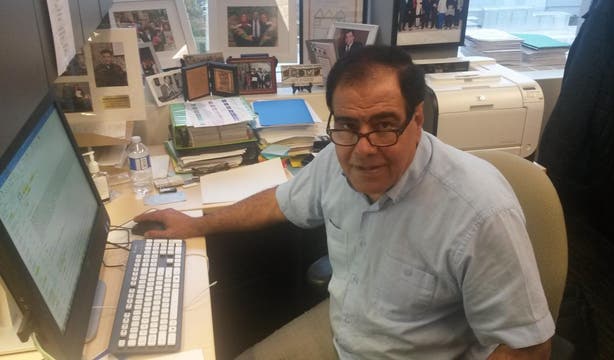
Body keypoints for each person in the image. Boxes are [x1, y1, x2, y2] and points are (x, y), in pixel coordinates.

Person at [134, 45, 554, 358]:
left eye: (385, 125)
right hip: (343, 337)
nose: (364, 149)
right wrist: (196, 225)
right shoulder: (336, 159)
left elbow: (528, 347)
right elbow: (279, 202)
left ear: (418, 119)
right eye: (349, 126)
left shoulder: (479, 211)